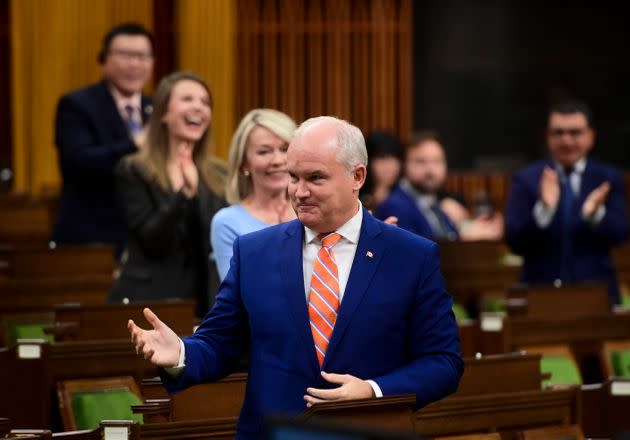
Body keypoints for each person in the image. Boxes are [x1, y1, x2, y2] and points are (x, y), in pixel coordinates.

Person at [128, 116, 463, 440]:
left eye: (315, 178)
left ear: (357, 176)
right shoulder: (254, 252)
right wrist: (181, 354)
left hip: (369, 429)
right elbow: (220, 343)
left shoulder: (411, 255)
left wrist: (374, 391)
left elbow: (443, 362)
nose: (298, 191)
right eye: (293, 177)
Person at [109, 71, 225, 318]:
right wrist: (181, 195)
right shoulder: (133, 169)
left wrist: (196, 196)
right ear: (163, 112)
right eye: (187, 99)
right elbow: (152, 241)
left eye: (205, 102)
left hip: (203, 303)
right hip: (149, 302)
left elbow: (214, 239)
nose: (198, 107)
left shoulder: (219, 174)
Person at [505, 99, 628, 304]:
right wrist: (544, 211)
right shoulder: (526, 179)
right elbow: (514, 241)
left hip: (596, 296)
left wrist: (595, 215)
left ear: (591, 136)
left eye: (575, 132)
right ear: (547, 136)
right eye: (558, 133)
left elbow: (620, 235)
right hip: (540, 295)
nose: (567, 141)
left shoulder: (607, 178)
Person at [52, 23, 154, 256]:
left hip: (145, 245)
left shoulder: (157, 108)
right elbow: (78, 162)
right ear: (103, 59)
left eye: (143, 56)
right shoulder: (76, 104)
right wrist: (135, 143)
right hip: (91, 240)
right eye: (125, 55)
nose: (134, 64)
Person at [211, 109, 297, 281]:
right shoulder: (228, 222)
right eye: (264, 152)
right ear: (244, 163)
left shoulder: (313, 211)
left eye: (285, 149)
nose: (277, 160)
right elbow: (239, 294)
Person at [375, 131, 503, 242]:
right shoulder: (396, 206)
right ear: (404, 164)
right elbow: (418, 256)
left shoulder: (433, 202)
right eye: (421, 161)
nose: (430, 170)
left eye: (437, 161)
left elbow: (447, 238)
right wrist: (466, 238)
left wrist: (476, 230)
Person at [359, 130, 404, 212]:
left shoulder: (405, 195)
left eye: (394, 158)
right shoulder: (357, 193)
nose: (390, 166)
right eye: (382, 158)